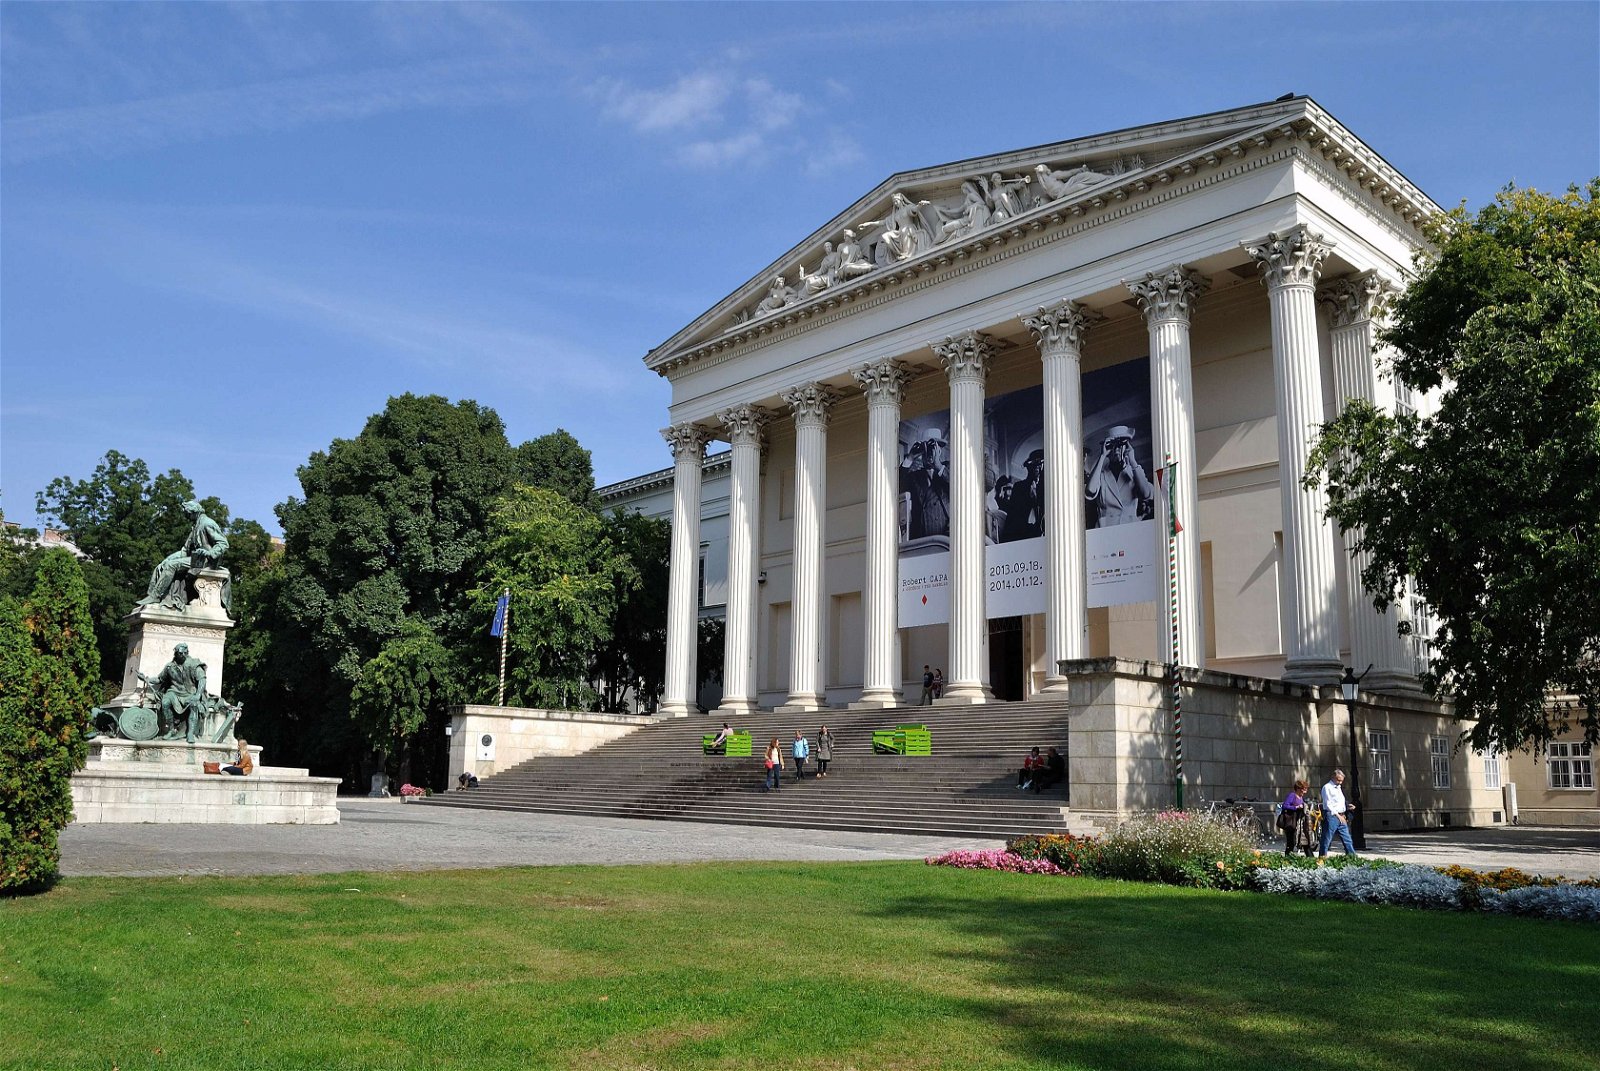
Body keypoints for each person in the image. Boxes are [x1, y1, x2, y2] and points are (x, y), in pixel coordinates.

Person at [138, 499, 230, 610]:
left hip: (206, 561)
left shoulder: (207, 523)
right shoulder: (196, 525)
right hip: (196, 559)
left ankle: (156, 596)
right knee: (162, 565)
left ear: (194, 512)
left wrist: (209, 552)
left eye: (187, 514)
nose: (186, 516)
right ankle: (154, 595)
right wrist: (168, 558)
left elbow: (223, 543)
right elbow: (185, 550)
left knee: (171, 565)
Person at [1085, 425, 1154, 528]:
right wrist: (1102, 456)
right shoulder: (1101, 473)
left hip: (1130, 529)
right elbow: (1090, 491)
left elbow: (1146, 493)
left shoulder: (1133, 472)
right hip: (1105, 530)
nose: (1116, 449)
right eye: (1112, 446)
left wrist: (1133, 461)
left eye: (1121, 444)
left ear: (1126, 447)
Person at [140, 643, 208, 743]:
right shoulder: (169, 667)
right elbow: (160, 679)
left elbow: (202, 680)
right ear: (176, 654)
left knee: (194, 704)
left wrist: (198, 695)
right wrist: (146, 678)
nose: (183, 655)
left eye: (185, 653)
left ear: (187, 653)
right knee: (165, 702)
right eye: (180, 653)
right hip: (174, 692)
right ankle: (171, 730)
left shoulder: (194, 664)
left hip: (189, 693)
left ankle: (190, 733)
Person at [1001, 450, 1046, 541]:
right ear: (1029, 468)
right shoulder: (1019, 487)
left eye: (1040, 466)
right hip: (1022, 535)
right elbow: (1015, 519)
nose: (1037, 469)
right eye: (1034, 466)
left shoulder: (1046, 487)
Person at [1319, 768, 1357, 857]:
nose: (1340, 782)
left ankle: (1351, 856)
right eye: (1338, 780)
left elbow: (1338, 802)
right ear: (1333, 777)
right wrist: (1337, 815)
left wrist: (1347, 807)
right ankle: (1322, 857)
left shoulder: (1338, 788)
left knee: (1347, 838)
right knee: (1327, 838)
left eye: (1341, 781)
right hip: (1332, 815)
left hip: (1341, 815)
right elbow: (1328, 804)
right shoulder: (1327, 787)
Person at [1280, 778, 1315, 855]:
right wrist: (1296, 807)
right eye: (1304, 789)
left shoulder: (1301, 797)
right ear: (1299, 789)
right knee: (1291, 842)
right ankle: (1288, 859)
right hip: (1291, 822)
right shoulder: (1292, 795)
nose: (1305, 791)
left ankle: (1310, 858)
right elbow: (1285, 806)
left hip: (1299, 823)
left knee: (1305, 840)